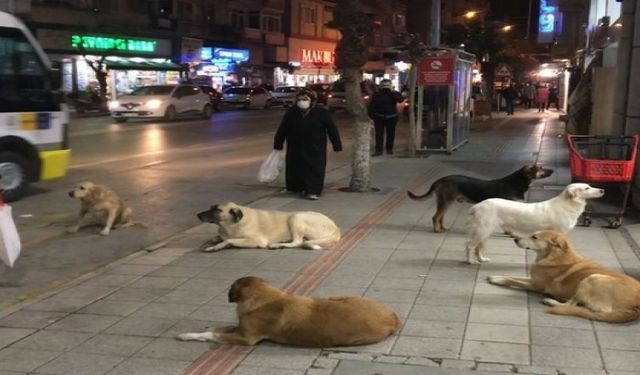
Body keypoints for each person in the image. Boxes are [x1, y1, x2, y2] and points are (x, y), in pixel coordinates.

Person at [273, 89, 342, 200]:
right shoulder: (291, 113)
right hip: (295, 146)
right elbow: (283, 129)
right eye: (299, 99)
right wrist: (278, 144)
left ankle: (312, 191)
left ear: (312, 101)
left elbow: (331, 129)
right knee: (296, 168)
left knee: (314, 169)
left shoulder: (321, 113)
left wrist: (337, 145)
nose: (301, 102)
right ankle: (297, 188)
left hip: (315, 148)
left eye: (305, 99)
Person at [368, 79, 404, 156]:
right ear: (380, 86)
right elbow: (371, 106)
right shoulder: (376, 94)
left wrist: (392, 91)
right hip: (379, 117)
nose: (385, 87)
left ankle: (389, 149)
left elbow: (400, 100)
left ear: (391, 85)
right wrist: (371, 116)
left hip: (392, 117)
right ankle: (378, 150)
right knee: (379, 134)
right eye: (384, 85)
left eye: (387, 85)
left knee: (391, 134)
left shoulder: (394, 93)